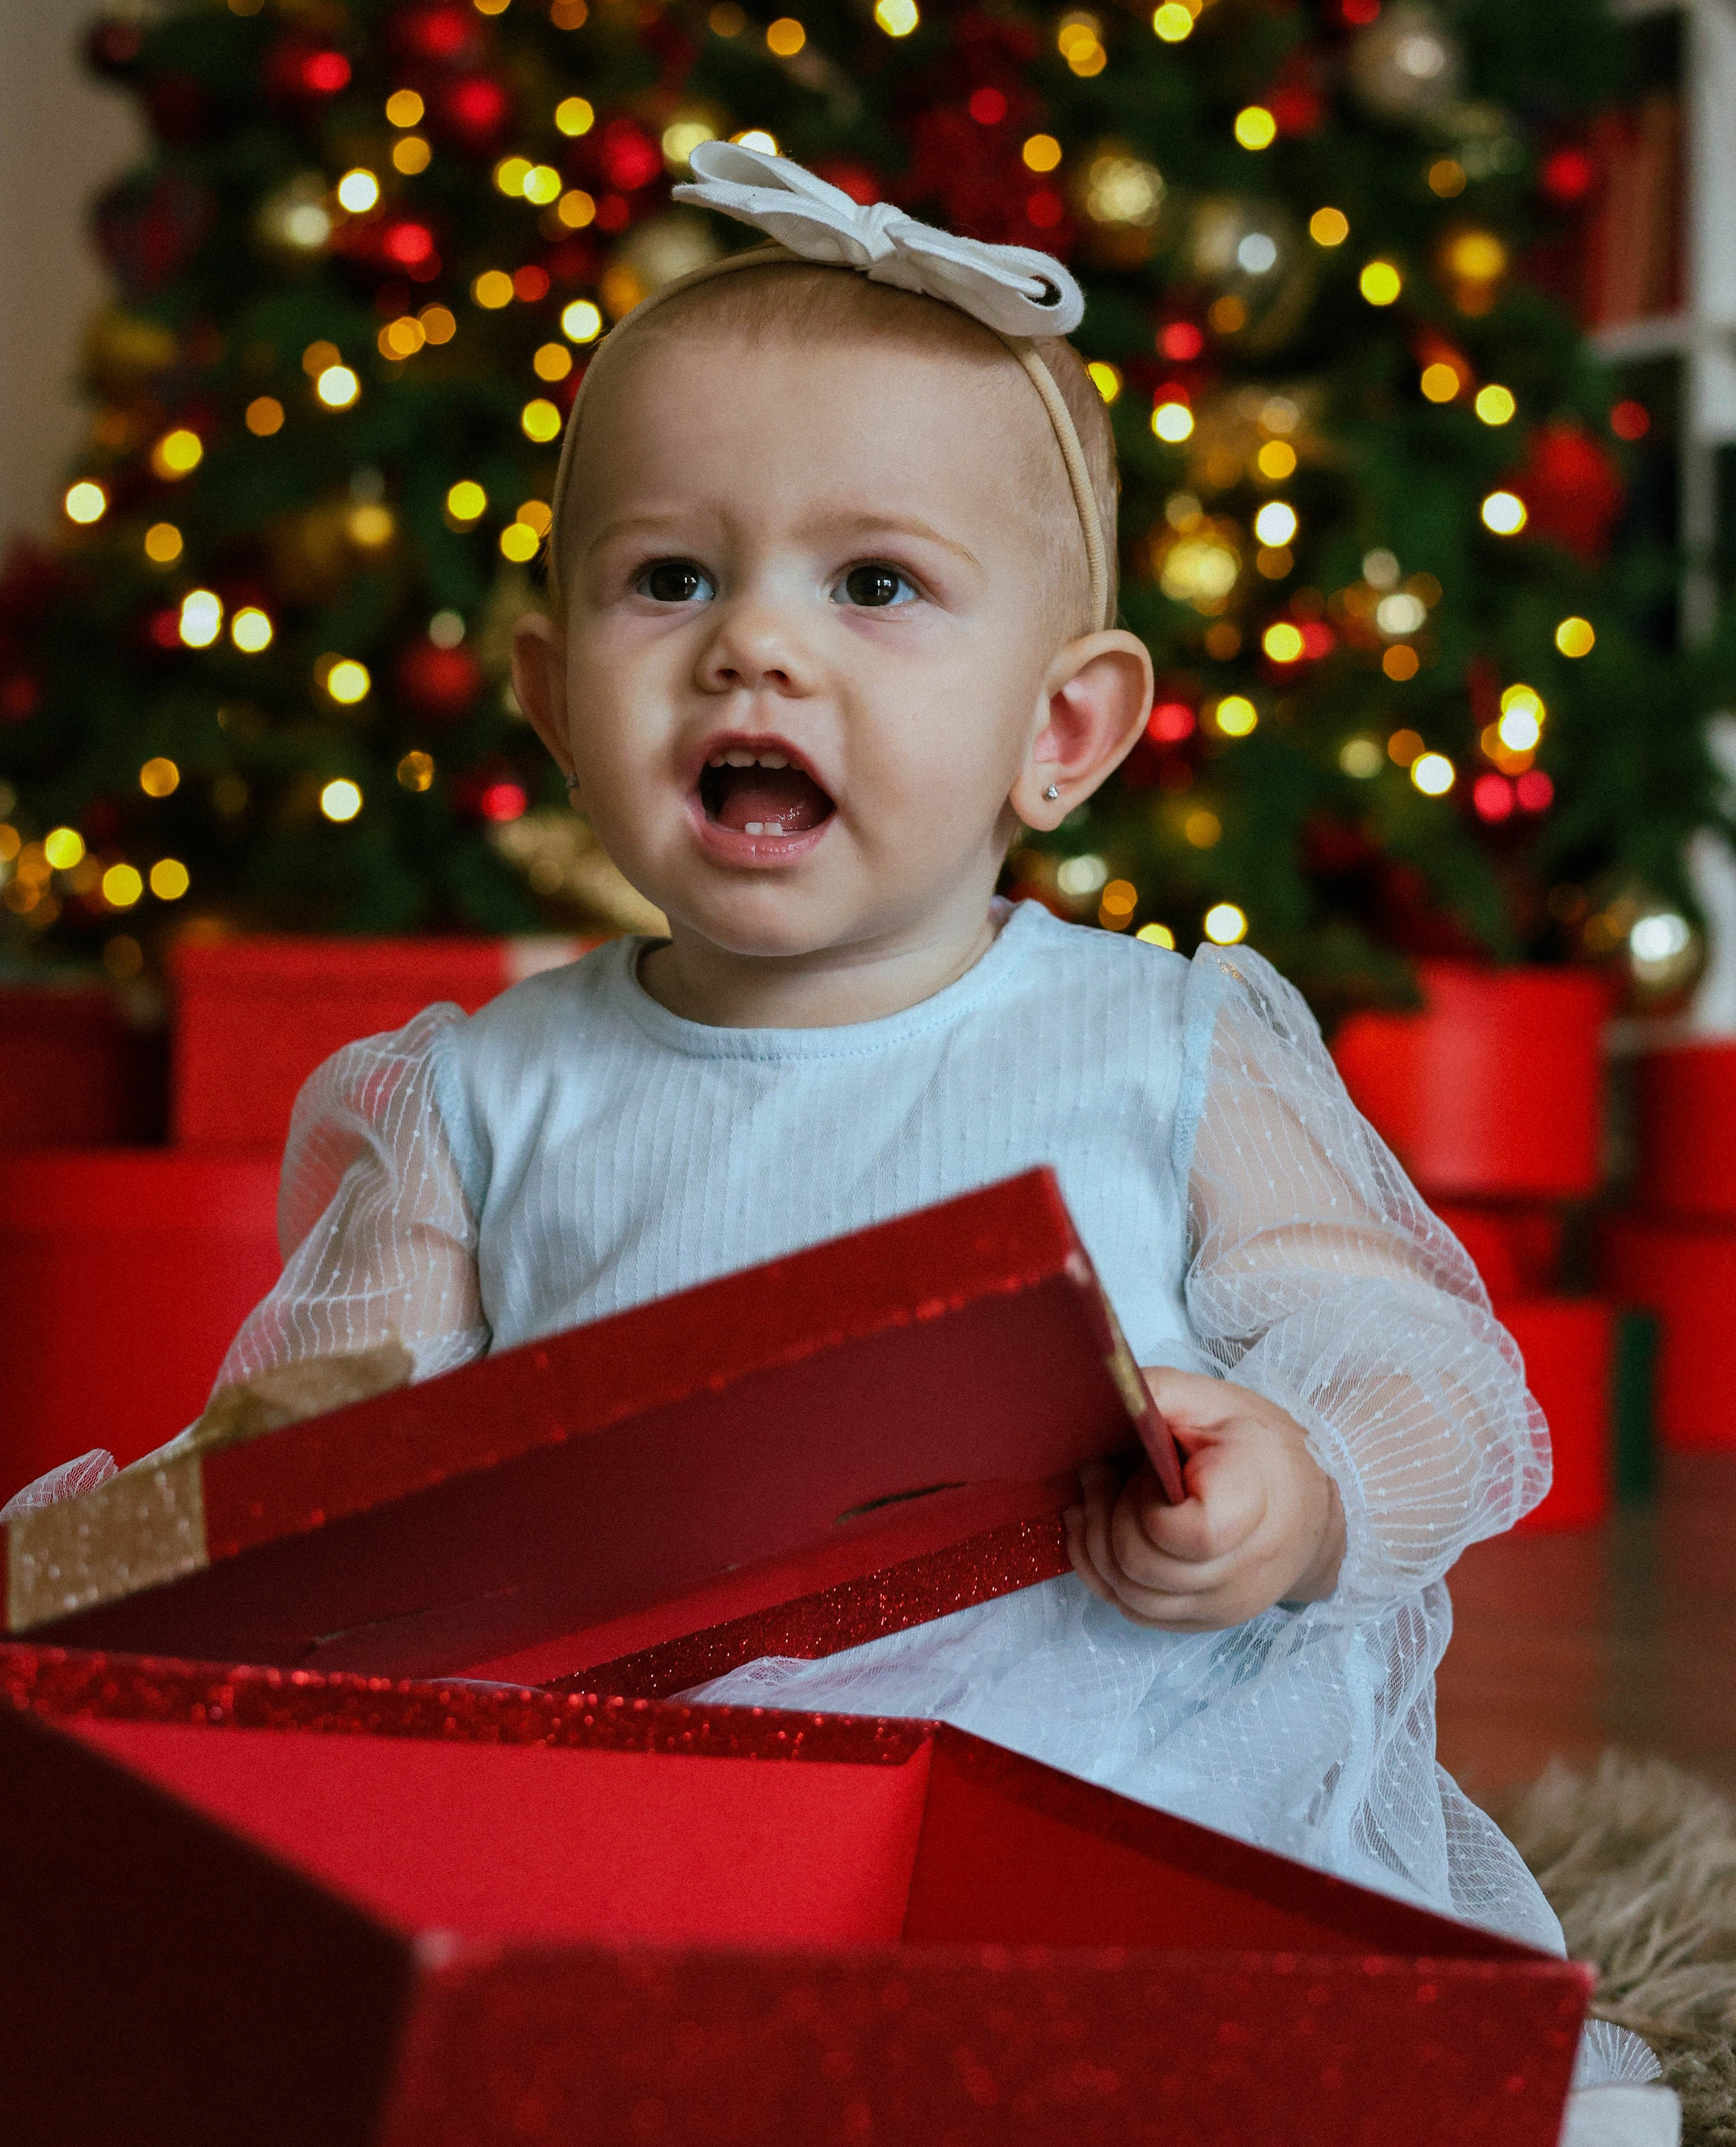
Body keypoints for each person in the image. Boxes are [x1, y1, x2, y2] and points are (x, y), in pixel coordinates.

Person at [7, 146, 1660, 2115]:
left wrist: (1294, 1489)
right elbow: (308, 1456)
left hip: (1106, 1772)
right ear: (550, 694)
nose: (753, 647)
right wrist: (225, 1545)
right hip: (648, 1813)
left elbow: (1438, 1372)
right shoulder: (478, 1097)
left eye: (874, 584)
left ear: (1064, 732)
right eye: (669, 578)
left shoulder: (1158, 1043)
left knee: (1322, 2074)